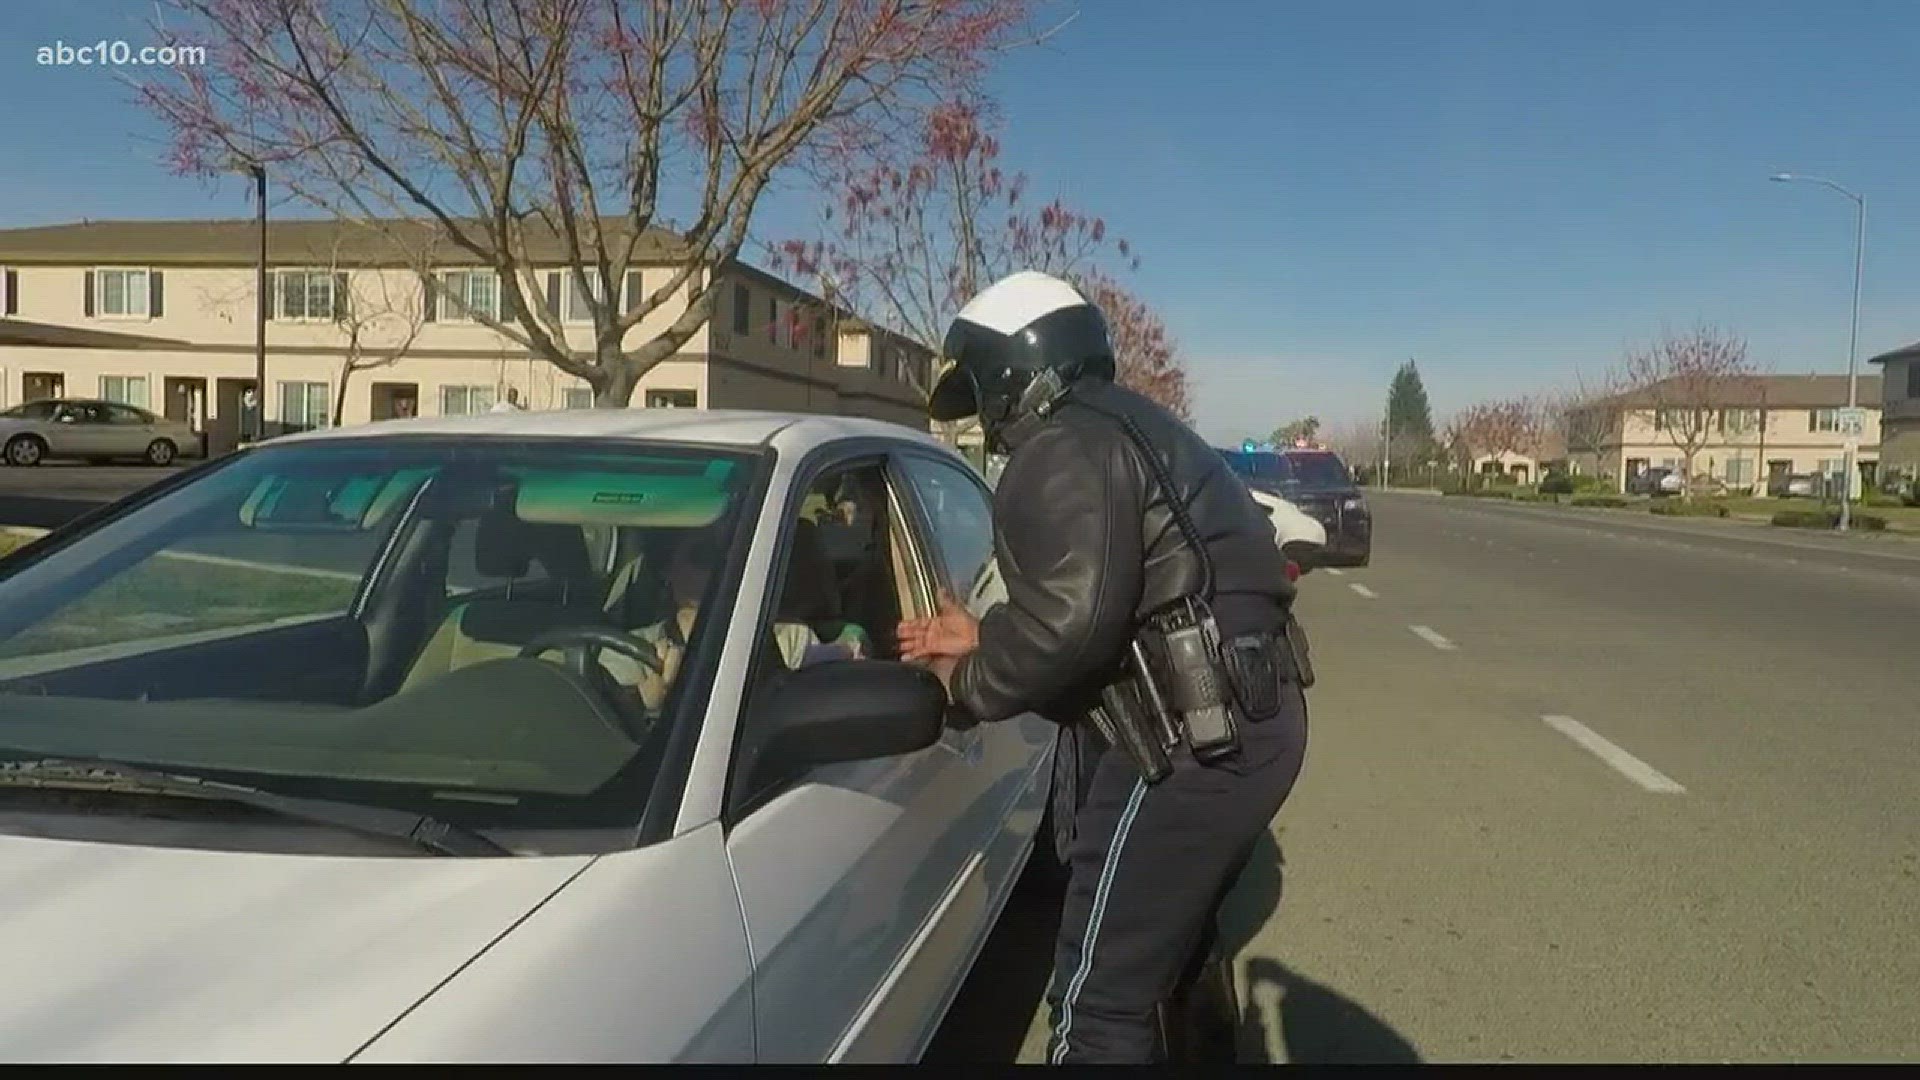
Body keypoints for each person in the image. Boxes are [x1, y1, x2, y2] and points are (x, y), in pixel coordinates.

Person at [897, 270, 1312, 1064]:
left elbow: (1071, 628)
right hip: (1245, 717)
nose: (985, 420)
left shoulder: (1060, 447)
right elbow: (1119, 597)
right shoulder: (1129, 426)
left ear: (1009, 372)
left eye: (981, 391)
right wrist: (988, 635)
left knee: (1097, 1000)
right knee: (1171, 955)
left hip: (1188, 739)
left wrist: (966, 681)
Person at [613, 526, 863, 711]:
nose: (722, 565)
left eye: (733, 553)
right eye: (705, 555)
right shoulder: (627, 651)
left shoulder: (793, 639)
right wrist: (647, 702)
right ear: (667, 569)